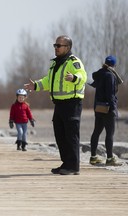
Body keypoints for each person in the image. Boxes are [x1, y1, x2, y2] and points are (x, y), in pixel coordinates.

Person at [24, 35, 87, 175]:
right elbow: (49, 81)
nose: (56, 48)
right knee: (60, 135)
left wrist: (74, 78)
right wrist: (36, 86)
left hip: (72, 103)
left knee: (71, 135)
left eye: (59, 46)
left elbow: (83, 76)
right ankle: (66, 163)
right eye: (55, 45)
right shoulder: (55, 63)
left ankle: (73, 166)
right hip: (59, 104)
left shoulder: (73, 62)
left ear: (68, 47)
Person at [89, 55, 122, 166]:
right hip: (107, 109)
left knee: (96, 132)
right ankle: (110, 158)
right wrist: (113, 109)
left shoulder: (100, 74)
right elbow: (110, 95)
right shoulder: (110, 76)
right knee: (109, 134)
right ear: (114, 65)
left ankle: (93, 157)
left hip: (98, 107)